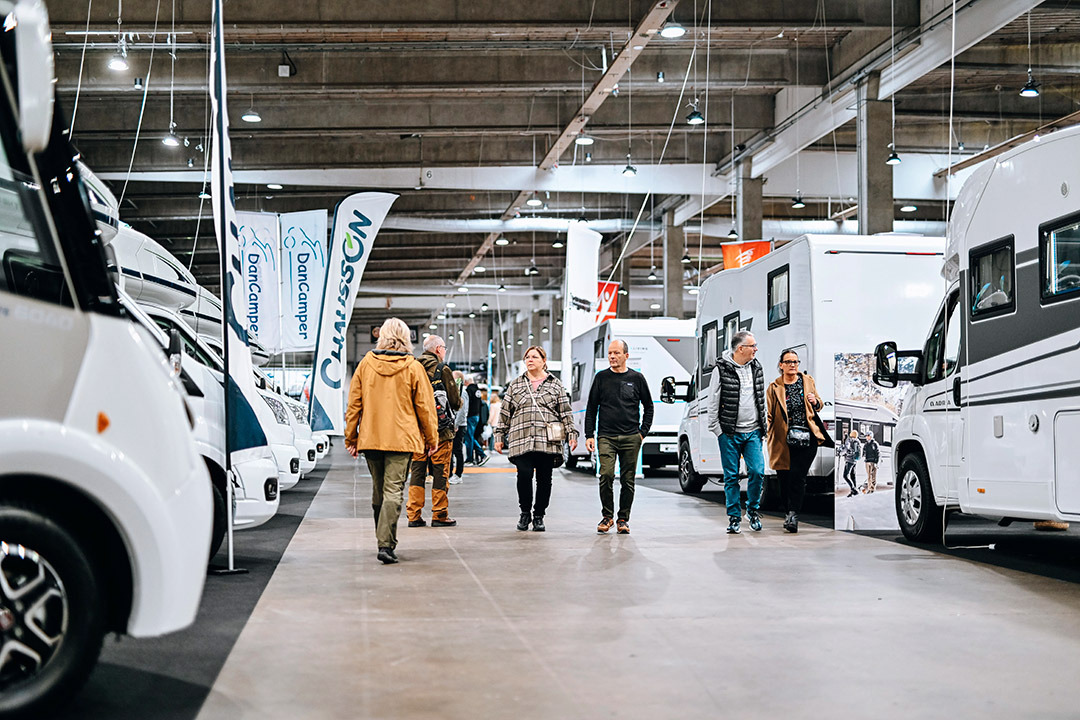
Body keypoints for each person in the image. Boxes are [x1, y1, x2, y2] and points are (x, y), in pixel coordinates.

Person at [344, 318, 438, 565]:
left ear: (381, 336)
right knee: (393, 490)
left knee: (378, 491)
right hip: (402, 439)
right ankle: (385, 543)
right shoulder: (412, 367)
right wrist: (432, 438)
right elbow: (425, 407)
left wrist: (351, 437)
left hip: (371, 437)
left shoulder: (365, 364)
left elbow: (354, 404)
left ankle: (383, 539)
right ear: (406, 337)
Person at [495, 346, 577, 532]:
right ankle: (525, 513)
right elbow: (505, 412)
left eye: (534, 357)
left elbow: (565, 412)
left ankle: (539, 515)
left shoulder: (555, 384)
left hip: (546, 440)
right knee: (523, 475)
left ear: (543, 361)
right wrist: (499, 435)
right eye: (527, 357)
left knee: (544, 479)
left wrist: (572, 433)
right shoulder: (515, 384)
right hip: (521, 438)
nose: (530, 360)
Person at [584, 339, 653, 534]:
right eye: (610, 353)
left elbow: (649, 406)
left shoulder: (637, 378)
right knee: (605, 474)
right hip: (606, 436)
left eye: (616, 353)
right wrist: (590, 434)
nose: (612, 357)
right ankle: (607, 516)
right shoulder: (601, 378)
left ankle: (623, 518)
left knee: (628, 479)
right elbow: (591, 408)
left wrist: (643, 432)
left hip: (631, 437)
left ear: (626, 356)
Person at [708, 331, 767, 534]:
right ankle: (734, 517)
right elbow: (713, 400)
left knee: (758, 471)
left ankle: (752, 510)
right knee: (731, 477)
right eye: (752, 346)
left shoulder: (757, 367)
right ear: (740, 349)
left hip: (753, 431)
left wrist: (763, 426)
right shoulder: (721, 369)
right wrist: (717, 430)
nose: (756, 349)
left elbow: (761, 398)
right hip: (729, 432)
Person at [765, 348, 829, 533]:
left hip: (807, 436)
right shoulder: (774, 387)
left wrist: (814, 402)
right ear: (781, 365)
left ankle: (793, 514)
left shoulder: (807, 381)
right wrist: (767, 434)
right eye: (789, 362)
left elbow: (819, 404)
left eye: (795, 362)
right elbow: (769, 414)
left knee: (798, 476)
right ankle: (788, 512)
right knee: (784, 478)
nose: (793, 365)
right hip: (782, 439)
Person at [405, 335, 462, 528]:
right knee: (440, 473)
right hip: (441, 432)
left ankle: (413, 515)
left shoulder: (411, 367)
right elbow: (454, 401)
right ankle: (439, 514)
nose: (444, 351)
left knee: (417, 472)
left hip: (416, 432)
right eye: (444, 347)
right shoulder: (442, 370)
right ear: (438, 349)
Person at [463, 375, 488, 466]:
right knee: (471, 437)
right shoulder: (477, 390)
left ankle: (471, 458)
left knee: (469, 437)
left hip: (470, 416)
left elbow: (466, 404)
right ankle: (480, 455)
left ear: (466, 382)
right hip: (476, 416)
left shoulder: (469, 390)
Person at [450, 370, 467, 484]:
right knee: (451, 451)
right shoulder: (454, 391)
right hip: (452, 424)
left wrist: (456, 425)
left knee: (457, 450)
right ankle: (450, 473)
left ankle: (458, 474)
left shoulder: (463, 392)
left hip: (459, 426)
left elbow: (462, 410)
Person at [839, 430, 861, 498]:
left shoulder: (849, 441)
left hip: (849, 460)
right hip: (854, 460)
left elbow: (846, 449)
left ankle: (853, 489)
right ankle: (854, 490)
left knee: (845, 475)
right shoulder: (857, 441)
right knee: (853, 476)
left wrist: (840, 453)